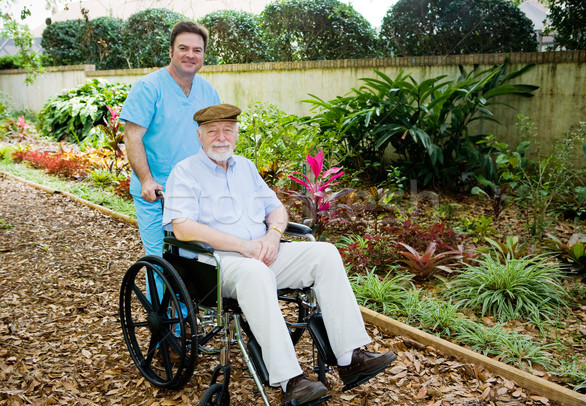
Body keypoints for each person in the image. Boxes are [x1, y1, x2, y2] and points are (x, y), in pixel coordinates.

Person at [162, 104, 396, 405]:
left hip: (261, 252)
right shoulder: (185, 172)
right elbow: (182, 228)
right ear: (199, 135)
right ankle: (291, 381)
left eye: (227, 130)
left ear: (236, 134)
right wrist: (243, 246)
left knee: (324, 253)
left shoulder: (245, 167)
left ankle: (351, 357)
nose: (221, 137)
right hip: (217, 264)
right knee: (256, 272)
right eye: (212, 131)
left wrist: (273, 235)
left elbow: (277, 210)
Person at [120, 21, 221, 256]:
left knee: (194, 258)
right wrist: (146, 180)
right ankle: (157, 295)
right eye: (183, 48)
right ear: (171, 51)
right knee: (160, 259)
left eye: (197, 50)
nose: (190, 55)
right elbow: (132, 137)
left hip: (195, 191)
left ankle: (182, 295)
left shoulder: (209, 91)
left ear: (204, 55)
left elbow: (215, 139)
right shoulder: (148, 88)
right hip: (157, 192)